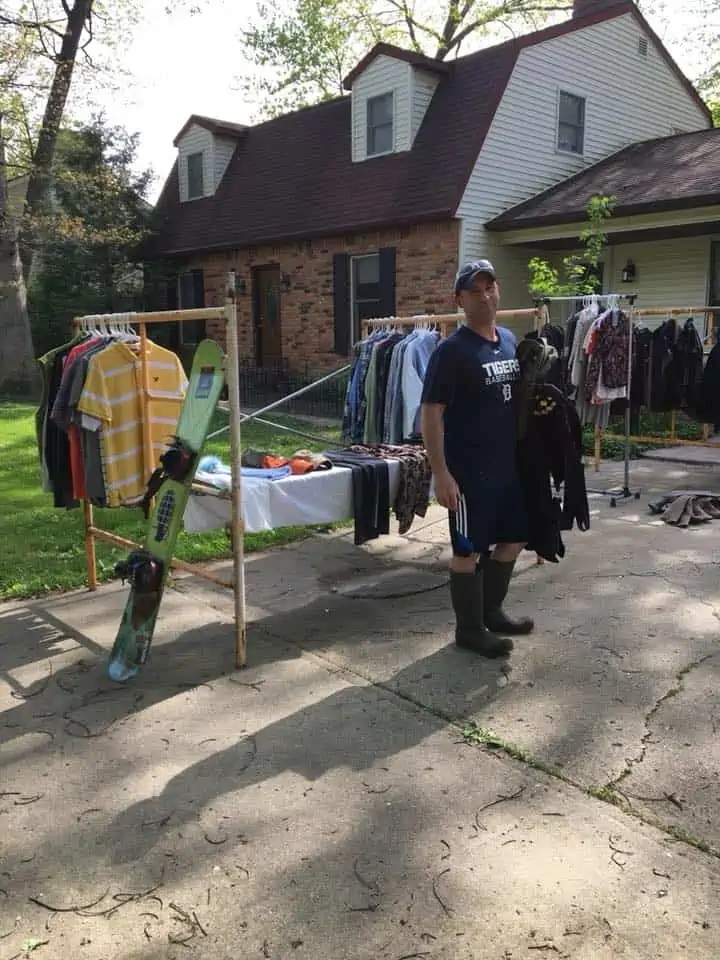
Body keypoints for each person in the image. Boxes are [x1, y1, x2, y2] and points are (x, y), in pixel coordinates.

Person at [420, 260, 532, 658]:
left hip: (507, 467)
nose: (485, 295)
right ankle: (469, 630)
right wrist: (441, 473)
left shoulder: (508, 340)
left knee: (514, 538)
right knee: (467, 550)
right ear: (460, 299)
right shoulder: (451, 351)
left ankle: (492, 611)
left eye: (490, 287)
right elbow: (431, 413)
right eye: (475, 290)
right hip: (468, 472)